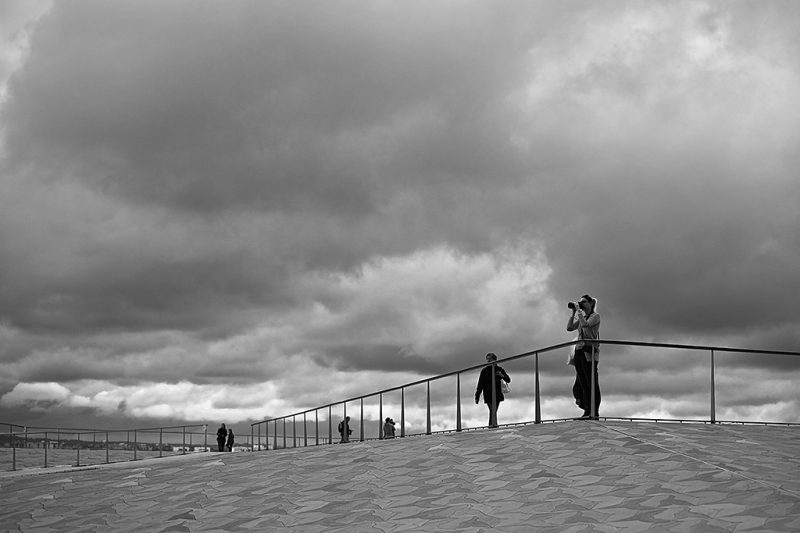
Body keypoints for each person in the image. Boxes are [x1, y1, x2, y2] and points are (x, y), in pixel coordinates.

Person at [567, 294, 601, 419]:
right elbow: (569, 328)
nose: (582, 304)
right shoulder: (583, 316)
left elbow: (586, 325)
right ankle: (587, 411)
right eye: (580, 302)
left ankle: (594, 411)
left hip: (589, 352)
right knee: (583, 383)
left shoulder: (595, 316)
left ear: (591, 303)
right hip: (579, 351)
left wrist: (579, 312)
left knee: (591, 382)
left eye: (584, 302)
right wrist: (573, 313)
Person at [474, 352, 511, 428]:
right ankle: (493, 425)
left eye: (489, 360)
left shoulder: (499, 369)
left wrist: (501, 375)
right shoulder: (484, 371)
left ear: (494, 360)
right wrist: (477, 395)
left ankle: (492, 425)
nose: (488, 361)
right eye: (487, 360)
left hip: (497, 393)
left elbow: (508, 380)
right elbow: (480, 384)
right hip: (488, 394)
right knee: (493, 410)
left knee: (493, 411)